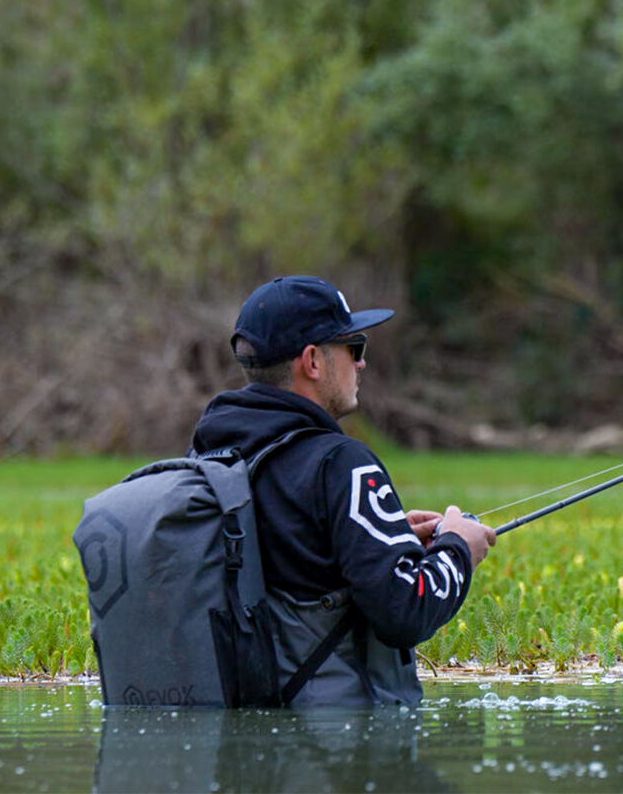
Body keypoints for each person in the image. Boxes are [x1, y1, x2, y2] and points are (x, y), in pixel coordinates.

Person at [191, 275, 495, 707]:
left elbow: (285, 563)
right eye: (354, 347)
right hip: (339, 751)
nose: (362, 364)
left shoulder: (209, 456)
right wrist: (458, 549)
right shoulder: (342, 464)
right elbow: (406, 610)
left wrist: (386, 535)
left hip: (246, 744)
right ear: (313, 361)